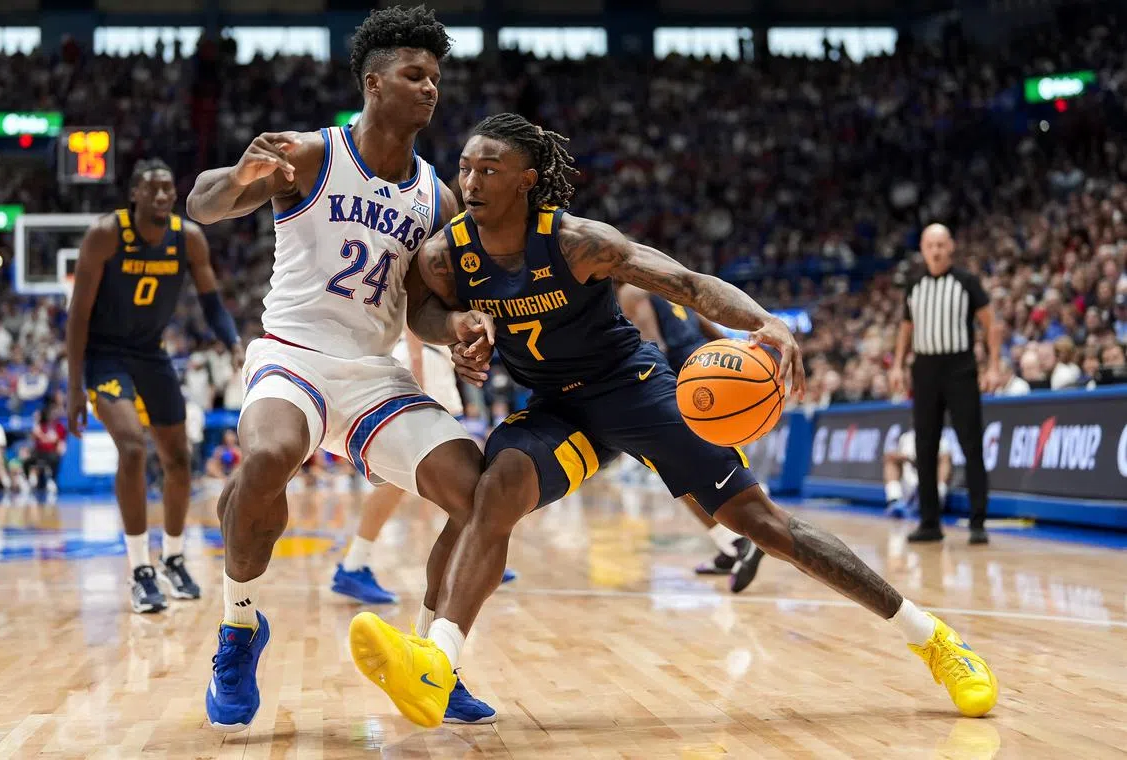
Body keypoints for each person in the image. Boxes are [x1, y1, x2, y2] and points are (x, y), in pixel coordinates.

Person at [348, 113, 998, 728]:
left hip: (633, 390)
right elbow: (421, 312)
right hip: (556, 409)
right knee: (494, 490)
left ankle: (934, 639)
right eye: (465, 168)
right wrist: (457, 326)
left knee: (765, 525)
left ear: (526, 180)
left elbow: (687, 283)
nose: (470, 182)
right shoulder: (448, 254)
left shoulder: (578, 243)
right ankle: (437, 663)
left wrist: (764, 321)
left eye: (489, 170)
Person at [186, 6, 497, 731]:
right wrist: (238, 176)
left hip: (373, 374)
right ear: (373, 83)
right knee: (267, 456)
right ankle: (239, 626)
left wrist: (456, 328)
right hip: (292, 355)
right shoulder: (310, 155)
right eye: (415, 74)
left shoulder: (438, 198)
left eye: (436, 77)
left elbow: (421, 311)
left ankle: (429, 657)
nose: (430, 88)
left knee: (479, 495)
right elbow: (202, 205)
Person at [66, 158, 243, 613]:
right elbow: (78, 316)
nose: (163, 196)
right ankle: (140, 569)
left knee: (179, 459)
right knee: (131, 448)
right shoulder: (106, 235)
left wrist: (233, 343)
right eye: (153, 189)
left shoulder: (188, 238)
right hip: (105, 355)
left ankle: (174, 558)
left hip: (151, 353)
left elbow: (212, 303)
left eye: (168, 188)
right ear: (134, 195)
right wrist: (73, 388)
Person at [330, 326, 517, 621]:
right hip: (422, 367)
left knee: (447, 472)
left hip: (431, 365)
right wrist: (417, 387)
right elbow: (414, 322)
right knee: (402, 479)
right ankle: (354, 565)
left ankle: (475, 550)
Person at [616, 283, 763, 592]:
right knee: (711, 469)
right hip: (714, 368)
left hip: (687, 379)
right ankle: (729, 546)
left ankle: (743, 539)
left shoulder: (629, 291)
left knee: (678, 472)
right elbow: (711, 329)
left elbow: (653, 346)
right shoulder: (665, 284)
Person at [890, 224, 999, 545]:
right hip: (924, 370)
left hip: (960, 368)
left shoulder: (967, 282)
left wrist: (993, 365)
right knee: (925, 447)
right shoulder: (914, 285)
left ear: (950, 247)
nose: (936, 250)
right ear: (923, 249)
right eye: (930, 245)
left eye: (941, 244)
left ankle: (977, 522)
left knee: (971, 444)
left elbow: (991, 324)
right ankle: (929, 523)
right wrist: (897, 365)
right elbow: (906, 328)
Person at [884, 428, 952, 518]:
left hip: (929, 488)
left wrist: (925, 460)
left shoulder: (940, 438)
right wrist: (908, 458)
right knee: (890, 461)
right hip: (908, 487)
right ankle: (894, 499)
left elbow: (945, 459)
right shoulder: (906, 437)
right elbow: (889, 456)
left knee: (945, 460)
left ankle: (937, 496)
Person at [26, 407, 67, 494]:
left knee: (54, 458)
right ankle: (28, 480)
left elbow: (56, 440)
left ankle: (52, 480)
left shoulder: (59, 427)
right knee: (27, 460)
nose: (52, 417)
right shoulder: (41, 426)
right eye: (50, 415)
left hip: (51, 452)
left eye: (54, 415)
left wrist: (42, 437)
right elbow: (34, 437)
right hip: (39, 451)